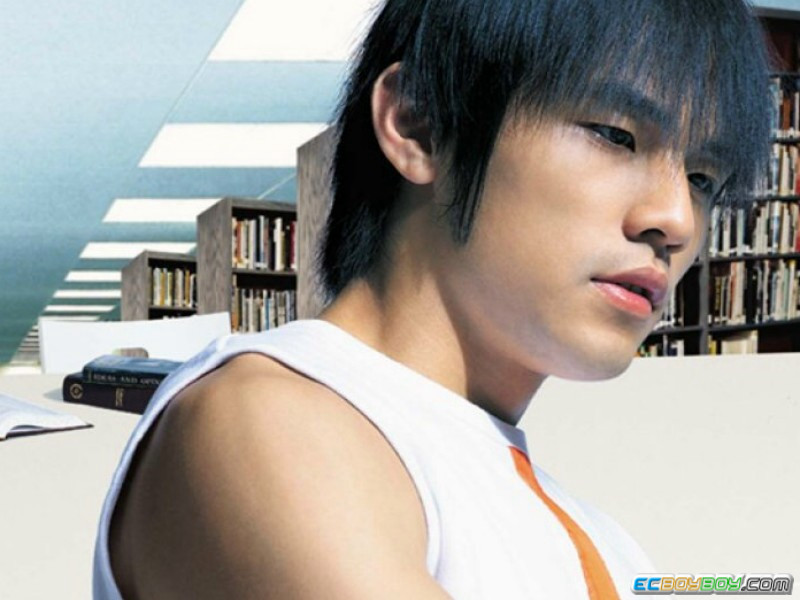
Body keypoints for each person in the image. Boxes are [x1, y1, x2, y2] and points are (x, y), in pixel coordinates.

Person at [93, 0, 770, 598]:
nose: (675, 219)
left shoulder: (590, 532)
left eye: (703, 179)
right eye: (615, 135)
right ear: (419, 124)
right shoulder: (267, 420)